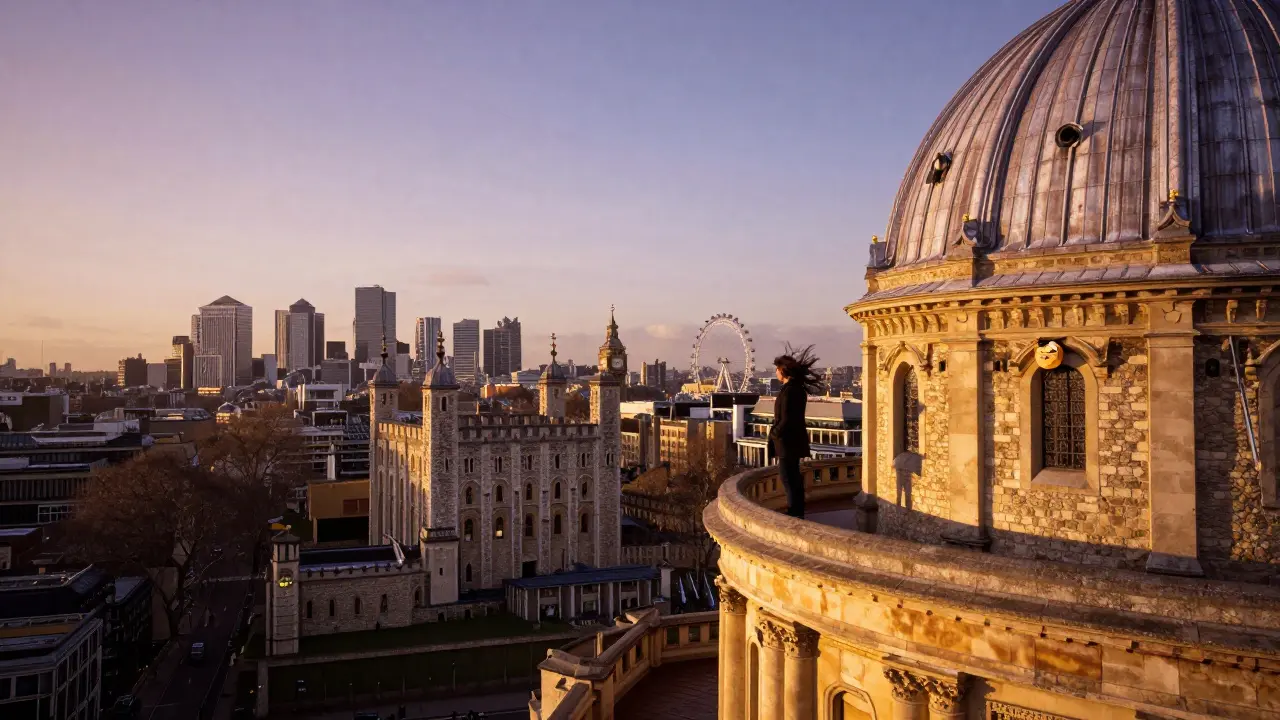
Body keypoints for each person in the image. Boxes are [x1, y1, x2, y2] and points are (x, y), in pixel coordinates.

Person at [768, 345, 823, 518]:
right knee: (793, 476)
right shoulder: (796, 389)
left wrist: (774, 433)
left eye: (777, 369)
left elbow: (786, 418)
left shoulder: (790, 390)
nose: (776, 372)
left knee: (787, 476)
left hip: (787, 441)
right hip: (793, 439)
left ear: (783, 371)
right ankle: (797, 509)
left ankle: (795, 511)